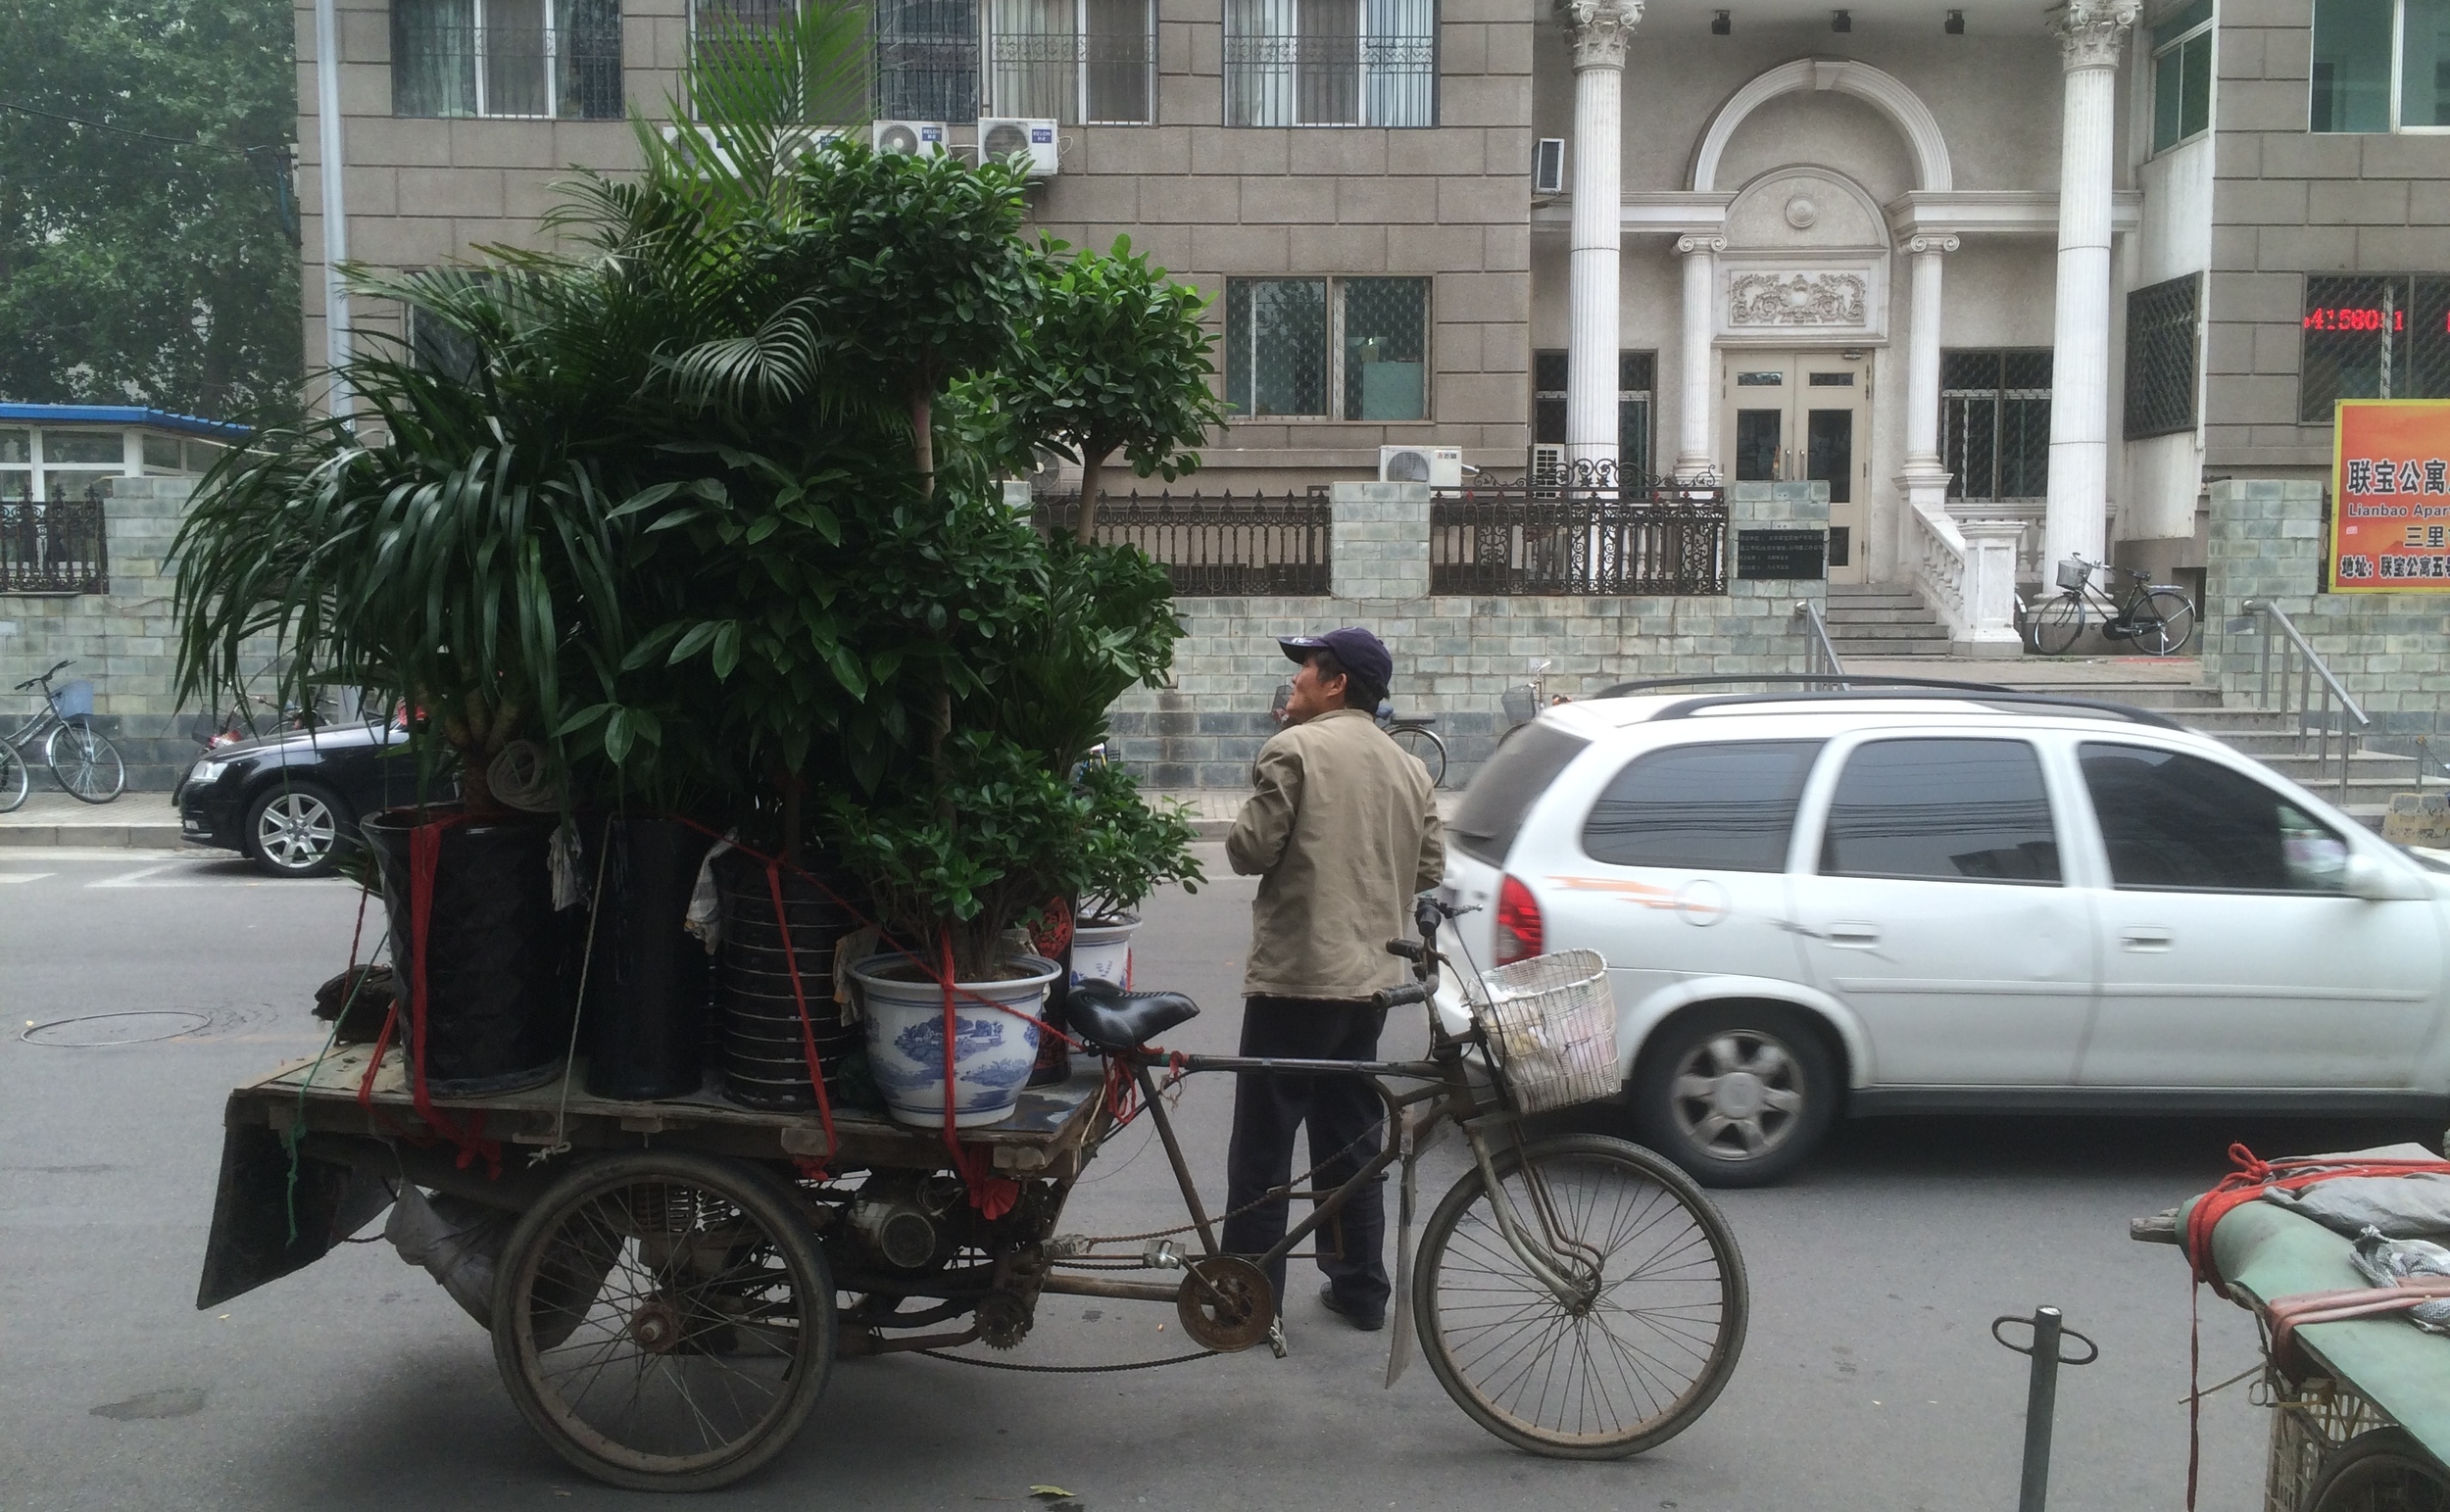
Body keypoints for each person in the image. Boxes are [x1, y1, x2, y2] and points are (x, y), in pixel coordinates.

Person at [1221, 626, 1445, 1333]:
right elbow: (1429, 866)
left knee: (1263, 1147)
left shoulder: (1293, 749)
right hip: (1370, 985)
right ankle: (1359, 1288)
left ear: (1336, 682)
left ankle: (1249, 1302)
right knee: (1351, 1139)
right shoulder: (1410, 768)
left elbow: (1248, 850)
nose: (1294, 684)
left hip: (1298, 980)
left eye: (1305, 672)